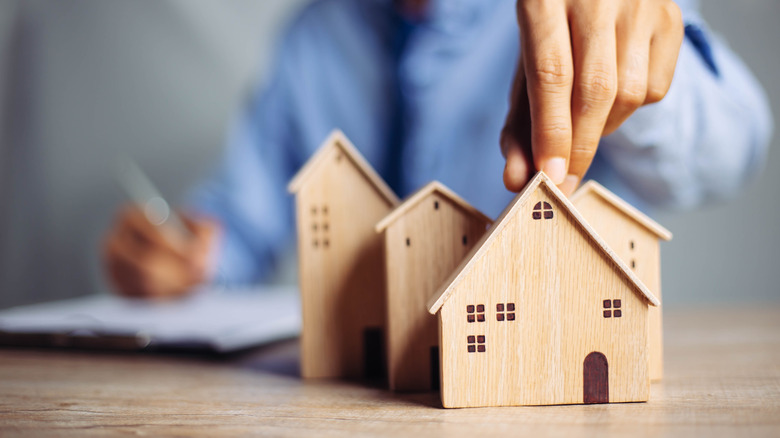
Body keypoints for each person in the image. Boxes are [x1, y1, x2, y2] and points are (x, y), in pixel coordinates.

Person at [103, 0, 772, 298]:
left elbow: (734, 147)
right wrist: (185, 255)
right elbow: (241, 226)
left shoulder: (580, 6)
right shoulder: (314, 36)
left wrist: (639, 79)